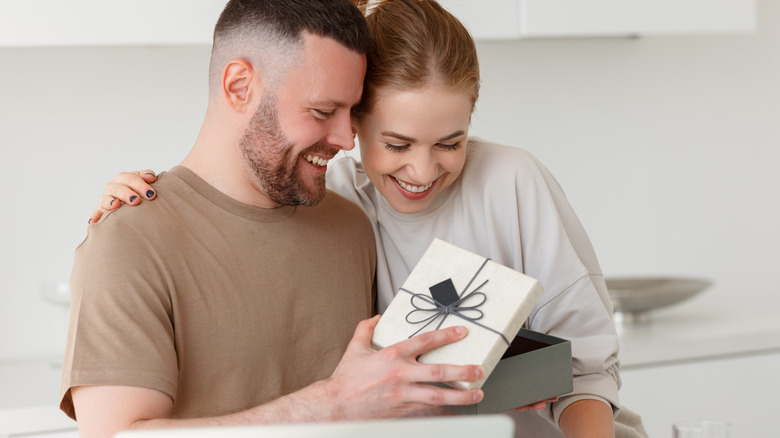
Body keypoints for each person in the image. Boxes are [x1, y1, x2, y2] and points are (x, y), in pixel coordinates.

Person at [91, 0, 650, 437]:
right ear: (358, 121)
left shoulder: (508, 182)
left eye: (450, 143)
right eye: (397, 142)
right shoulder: (333, 198)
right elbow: (236, 178)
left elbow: (587, 366)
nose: (423, 169)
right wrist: (141, 202)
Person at [61, 1, 491, 437]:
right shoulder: (130, 241)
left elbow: (374, 397)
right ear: (239, 85)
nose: (346, 139)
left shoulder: (350, 224)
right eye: (323, 112)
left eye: (351, 112)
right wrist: (332, 405)